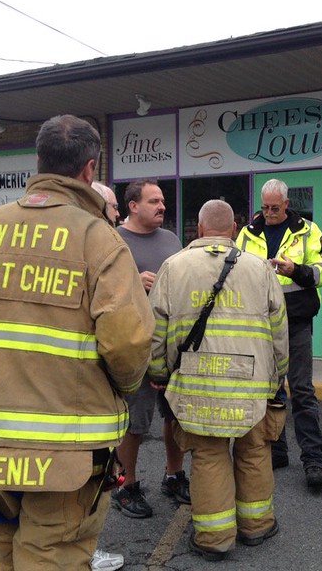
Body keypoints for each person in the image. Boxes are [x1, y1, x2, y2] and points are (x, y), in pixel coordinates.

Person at [0, 114, 154, 571]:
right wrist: (122, 389)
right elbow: (128, 344)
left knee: (4, 553)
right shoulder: (98, 240)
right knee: (52, 557)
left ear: (40, 162)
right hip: (63, 453)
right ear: (89, 170)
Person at [149, 199, 289, 561]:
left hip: (196, 384)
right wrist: (278, 377)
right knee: (255, 452)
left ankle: (214, 539)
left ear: (197, 228)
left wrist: (160, 375)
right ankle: (257, 526)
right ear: (232, 230)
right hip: (253, 383)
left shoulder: (172, 267)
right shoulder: (259, 268)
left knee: (209, 456)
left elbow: (156, 332)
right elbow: (279, 332)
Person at [236, 178, 322, 488]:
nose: (269, 213)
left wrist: (295, 271)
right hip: (261, 324)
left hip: (297, 322)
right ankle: (277, 450)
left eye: (275, 208)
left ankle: (313, 460)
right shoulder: (248, 233)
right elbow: (234, 270)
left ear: (287, 204)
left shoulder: (308, 230)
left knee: (302, 391)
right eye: (264, 207)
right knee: (270, 391)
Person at [112, 179, 188, 518]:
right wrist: (132, 284)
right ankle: (124, 486)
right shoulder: (113, 240)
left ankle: (174, 476)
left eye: (162, 201)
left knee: (173, 415)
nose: (162, 206)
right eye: (154, 201)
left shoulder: (171, 239)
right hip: (135, 347)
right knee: (135, 421)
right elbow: (98, 293)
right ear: (133, 206)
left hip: (171, 348)